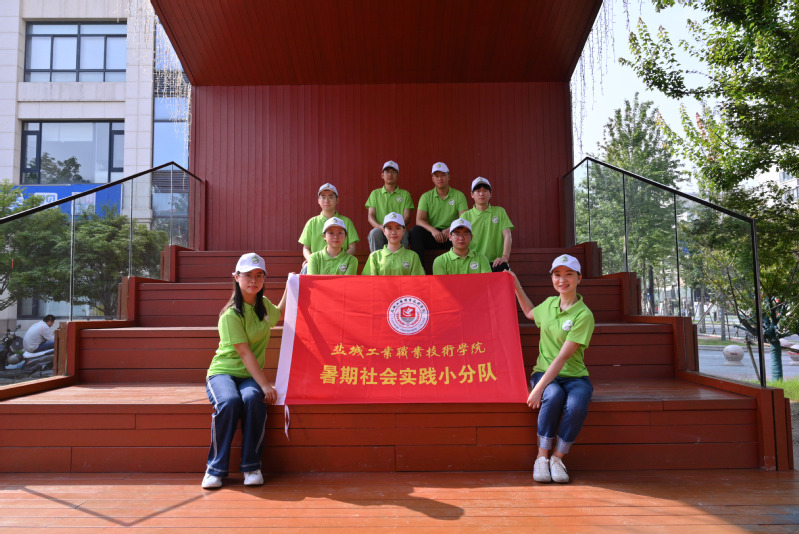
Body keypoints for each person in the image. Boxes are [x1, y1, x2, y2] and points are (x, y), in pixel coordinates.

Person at [202, 253, 289, 489]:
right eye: (248, 275)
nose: (253, 280)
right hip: (223, 373)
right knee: (229, 402)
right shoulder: (230, 314)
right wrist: (265, 384)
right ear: (236, 277)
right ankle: (215, 469)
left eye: (259, 275)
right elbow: (244, 352)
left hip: (249, 376)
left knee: (253, 399)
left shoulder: (263, 306)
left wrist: (291, 284)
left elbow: (280, 314)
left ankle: (252, 467)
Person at [510, 254, 595, 484]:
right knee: (554, 395)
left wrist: (537, 389)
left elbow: (563, 357)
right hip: (544, 372)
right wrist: (515, 284)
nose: (562, 280)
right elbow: (530, 313)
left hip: (575, 376)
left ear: (579, 278)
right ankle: (542, 457)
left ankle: (557, 458)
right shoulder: (548, 304)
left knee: (577, 404)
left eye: (569, 274)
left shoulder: (584, 315)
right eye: (557, 274)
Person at [410, 162, 468, 267]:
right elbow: (419, 220)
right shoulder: (426, 197)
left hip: (452, 235)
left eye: (443, 175)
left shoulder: (459, 195)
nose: (440, 178)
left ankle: (464, 266)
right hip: (434, 235)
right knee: (415, 231)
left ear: (449, 176)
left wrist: (451, 229)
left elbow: (464, 218)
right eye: (436, 176)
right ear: (432, 178)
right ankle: (419, 269)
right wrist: (433, 230)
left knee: (466, 232)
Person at [298, 183, 359, 273]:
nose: (327, 200)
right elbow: (306, 248)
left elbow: (352, 247)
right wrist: (311, 260)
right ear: (319, 200)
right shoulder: (312, 222)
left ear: (337, 200)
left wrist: (340, 260)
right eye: (323, 197)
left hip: (340, 262)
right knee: (307, 267)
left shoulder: (346, 222)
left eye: (331, 197)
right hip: (317, 263)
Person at [461, 177, 513, 272]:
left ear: (490, 194)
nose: (481, 194)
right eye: (478, 191)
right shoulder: (466, 216)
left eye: (485, 191)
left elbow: (507, 235)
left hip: (496, 262)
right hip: (474, 262)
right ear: (472, 194)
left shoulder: (500, 212)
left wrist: (505, 257)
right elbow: (461, 239)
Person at [365, 160, 414, 251]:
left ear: (397, 176)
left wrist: (396, 228)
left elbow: (407, 217)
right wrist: (379, 226)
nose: (390, 174)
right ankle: (377, 260)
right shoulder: (375, 194)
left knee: (403, 233)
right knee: (374, 233)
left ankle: (403, 260)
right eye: (387, 172)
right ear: (382, 175)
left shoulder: (405, 194)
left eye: (393, 172)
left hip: (399, 229)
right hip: (381, 230)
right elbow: (370, 216)